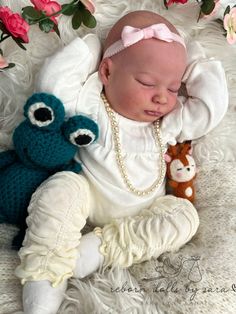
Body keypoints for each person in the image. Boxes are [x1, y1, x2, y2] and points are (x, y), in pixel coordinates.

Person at [14, 10, 228, 314]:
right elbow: (54, 84)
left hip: (142, 216)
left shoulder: (167, 124)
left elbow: (209, 109)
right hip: (87, 198)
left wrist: (192, 56)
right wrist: (89, 47)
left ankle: (100, 251)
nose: (162, 98)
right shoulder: (92, 106)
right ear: (107, 72)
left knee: (184, 217)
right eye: (146, 82)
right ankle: (45, 271)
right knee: (60, 190)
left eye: (171, 87)